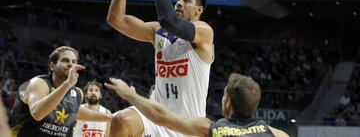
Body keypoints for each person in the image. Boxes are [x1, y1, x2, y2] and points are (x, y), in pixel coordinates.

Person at [106, 0, 214, 137]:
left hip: (187, 125)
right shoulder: (157, 31)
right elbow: (116, 19)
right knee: (120, 120)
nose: (179, 3)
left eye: (186, 1)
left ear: (198, 10)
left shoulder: (204, 32)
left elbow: (170, 22)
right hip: (155, 116)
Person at [105, 73, 290, 137]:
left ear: (229, 104)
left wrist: (130, 94)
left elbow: (160, 116)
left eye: (224, 96)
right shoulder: (277, 133)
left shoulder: (213, 128)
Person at [9, 46, 112, 137]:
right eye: (65, 60)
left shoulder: (77, 93)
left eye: (74, 62)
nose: (70, 64)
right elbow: (37, 113)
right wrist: (67, 84)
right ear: (52, 66)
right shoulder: (39, 83)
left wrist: (110, 118)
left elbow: (75, 111)